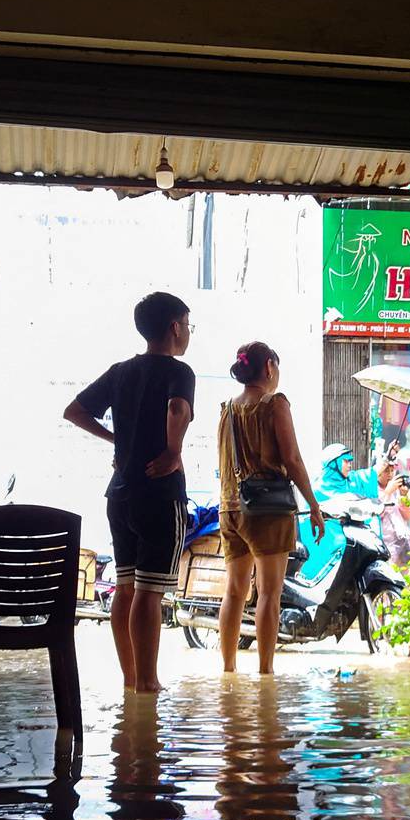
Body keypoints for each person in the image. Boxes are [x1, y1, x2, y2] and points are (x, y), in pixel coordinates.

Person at [62, 292, 195, 694]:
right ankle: (149, 681)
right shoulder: (180, 371)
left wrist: (118, 442)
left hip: (119, 495)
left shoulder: (120, 371)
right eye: (187, 324)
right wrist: (173, 451)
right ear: (174, 327)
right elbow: (176, 409)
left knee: (125, 586)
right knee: (150, 592)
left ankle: (131, 678)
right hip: (158, 492)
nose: (188, 332)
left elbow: (75, 410)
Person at [216, 342, 323, 676]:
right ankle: (265, 672)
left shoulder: (227, 409)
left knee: (234, 592)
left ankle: (229, 669)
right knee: (269, 594)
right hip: (267, 511)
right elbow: (291, 459)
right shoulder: (274, 404)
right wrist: (314, 506)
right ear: (270, 367)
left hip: (230, 509)